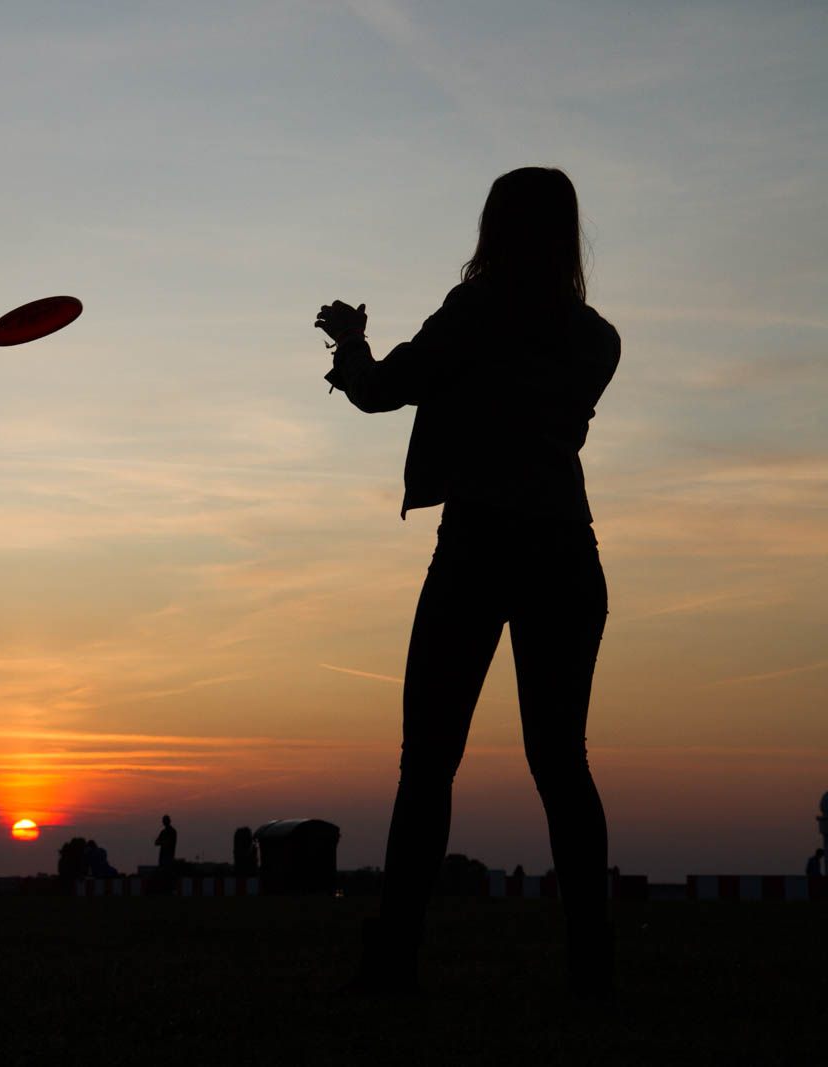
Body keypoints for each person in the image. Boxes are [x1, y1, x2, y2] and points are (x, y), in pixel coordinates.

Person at [318, 167, 621, 998]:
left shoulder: (474, 314)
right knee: (563, 761)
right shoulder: (598, 339)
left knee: (428, 764)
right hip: (566, 549)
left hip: (480, 545)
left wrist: (348, 343)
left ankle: (393, 962)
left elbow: (381, 393)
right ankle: (591, 966)